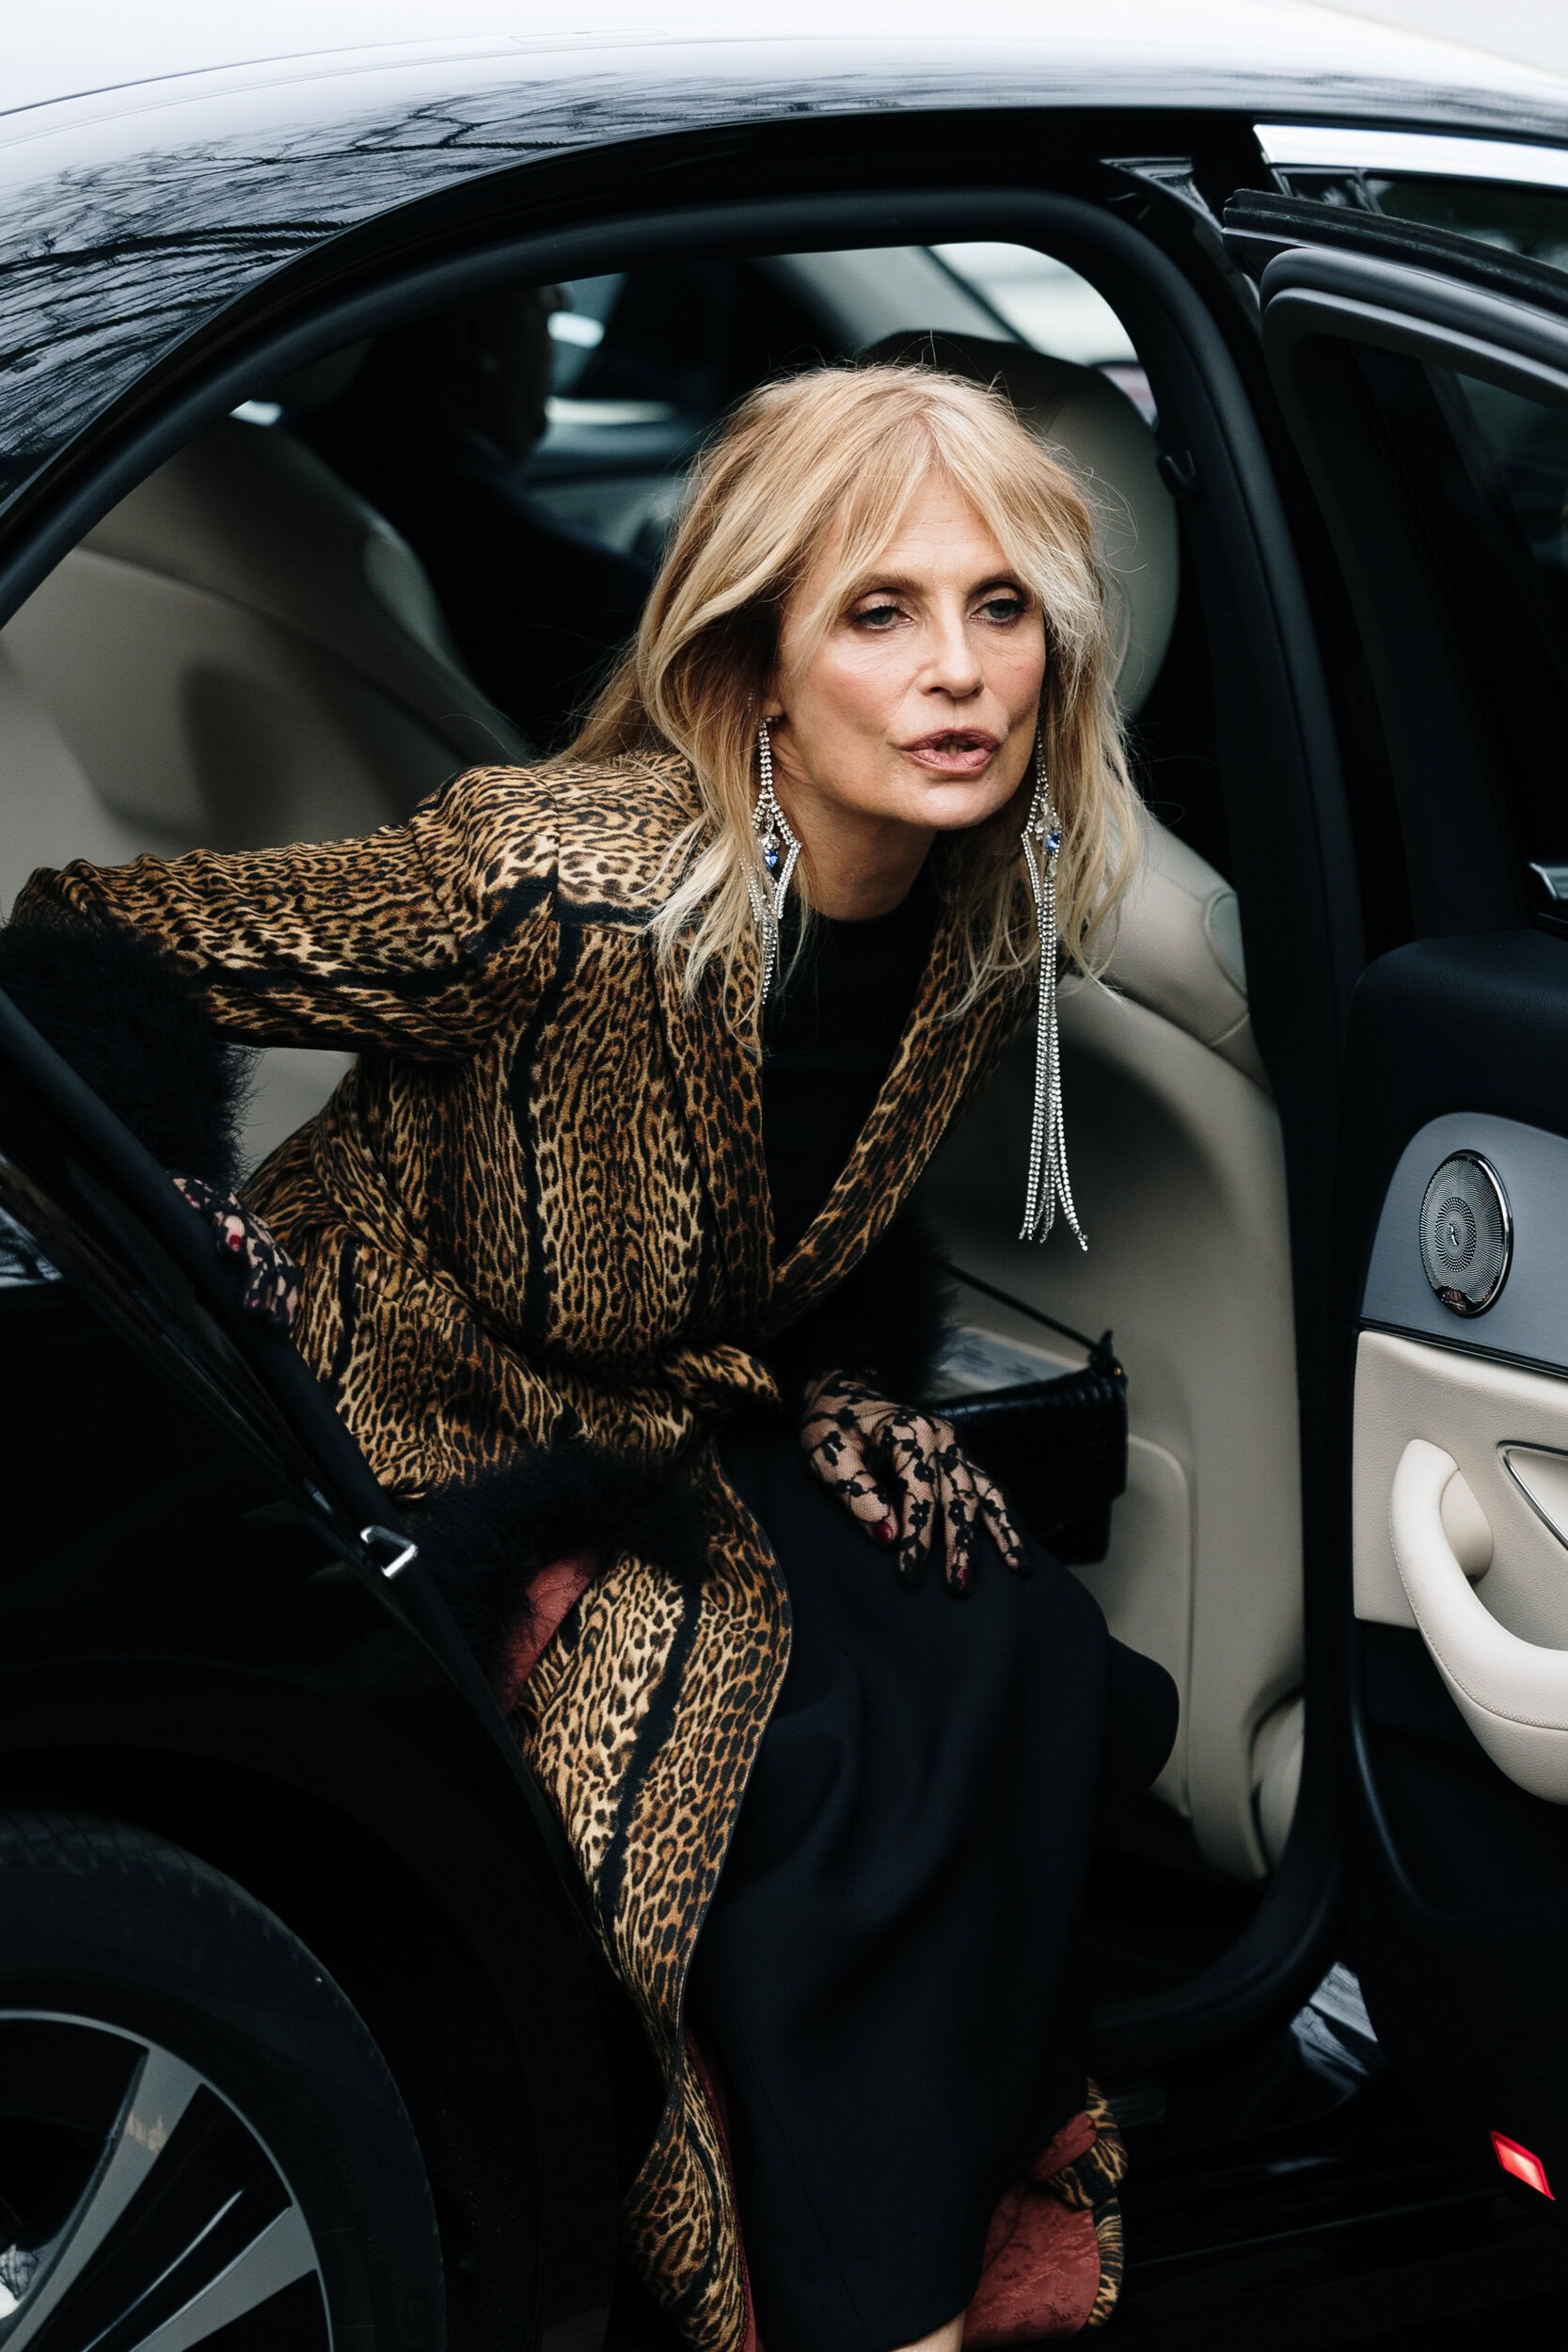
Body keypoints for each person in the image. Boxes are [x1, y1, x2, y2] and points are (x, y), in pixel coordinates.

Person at [13, 361, 1177, 2352]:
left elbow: (792, 1205)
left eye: (999, 608)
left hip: (669, 1393)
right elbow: (86, 932)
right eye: (877, 612)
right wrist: (188, 1227)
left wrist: (851, 1383)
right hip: (403, 1401)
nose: (956, 672)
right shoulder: (549, 877)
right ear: (752, 659)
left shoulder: (978, 896)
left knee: (1018, 1646)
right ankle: (837, 2292)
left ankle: (924, 2254)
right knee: (802, 1754)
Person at [294, 286, 654, 748]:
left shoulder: (265, 492)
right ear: (474, 333)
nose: (562, 299)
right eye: (539, 289)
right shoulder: (590, 595)